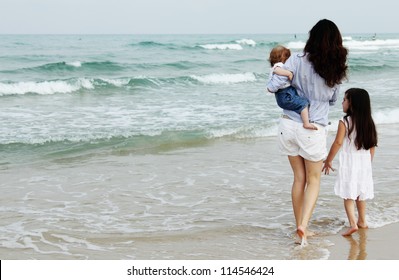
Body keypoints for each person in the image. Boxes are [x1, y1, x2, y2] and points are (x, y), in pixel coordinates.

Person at [276, 19, 348, 245]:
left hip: (288, 124)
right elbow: (334, 99)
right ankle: (303, 226)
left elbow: (277, 83)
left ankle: (300, 225)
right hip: (314, 126)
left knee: (298, 178)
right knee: (313, 180)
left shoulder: (295, 59)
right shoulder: (335, 67)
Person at [322, 88, 378, 236]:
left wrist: (328, 161)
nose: (342, 102)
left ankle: (353, 224)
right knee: (361, 194)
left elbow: (338, 143)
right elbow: (372, 145)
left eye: (345, 99)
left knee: (348, 195)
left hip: (350, 162)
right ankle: (362, 221)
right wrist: (368, 163)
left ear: (352, 104)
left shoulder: (345, 121)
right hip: (364, 163)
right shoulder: (369, 122)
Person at [267, 45, 317, 130]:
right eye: (287, 56)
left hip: (284, 94)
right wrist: (289, 73)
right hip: (285, 94)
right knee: (304, 104)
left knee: (301, 103)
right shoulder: (279, 66)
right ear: (281, 58)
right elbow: (277, 70)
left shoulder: (278, 66)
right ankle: (306, 123)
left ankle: (301, 119)